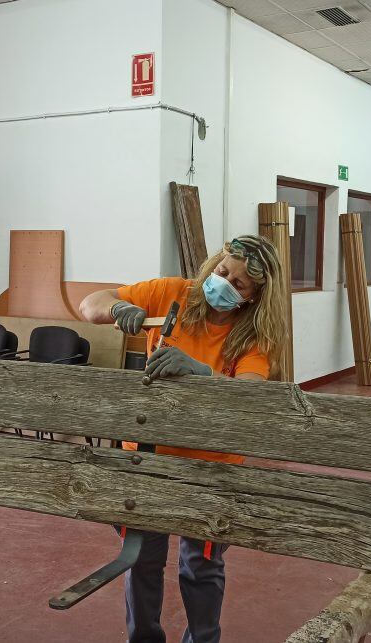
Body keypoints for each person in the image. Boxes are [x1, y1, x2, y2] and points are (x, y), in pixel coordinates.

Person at [79, 235, 288, 643]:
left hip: (210, 470)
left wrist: (202, 374)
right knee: (140, 560)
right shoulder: (173, 294)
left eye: (240, 284)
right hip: (146, 460)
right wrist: (119, 308)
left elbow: (247, 396)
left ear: (254, 297)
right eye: (223, 270)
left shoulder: (254, 337)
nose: (225, 282)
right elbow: (90, 304)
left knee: (202, 568)